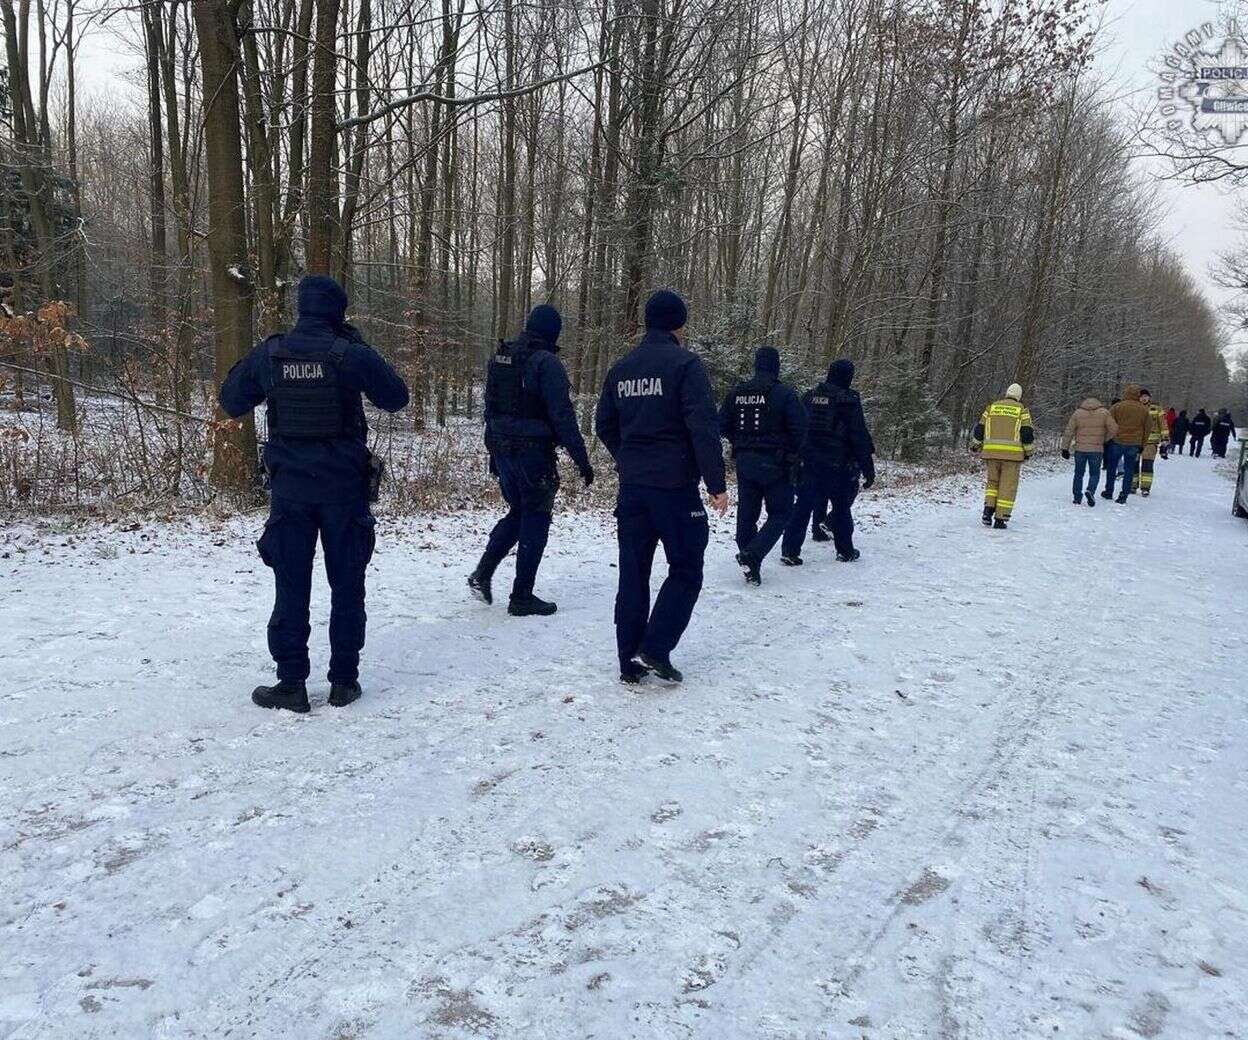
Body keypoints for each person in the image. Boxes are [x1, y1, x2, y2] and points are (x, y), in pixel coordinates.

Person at [219, 275, 409, 713]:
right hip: (344, 490)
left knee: (291, 585)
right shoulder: (350, 355)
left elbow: (231, 401)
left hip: (291, 493)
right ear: (339, 312)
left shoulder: (272, 354)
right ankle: (344, 681)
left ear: (301, 309)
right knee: (347, 583)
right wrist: (360, 351)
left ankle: (291, 683)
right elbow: (397, 397)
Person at [594, 290, 728, 686]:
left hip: (633, 490)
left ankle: (627, 660)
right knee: (687, 569)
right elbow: (703, 427)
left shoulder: (621, 368)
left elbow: (604, 424)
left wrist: (628, 457)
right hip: (674, 489)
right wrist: (716, 484)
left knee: (633, 573)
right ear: (679, 325)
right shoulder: (685, 365)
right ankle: (655, 647)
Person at [468, 305, 594, 617]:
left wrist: (493, 453)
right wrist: (581, 459)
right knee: (536, 517)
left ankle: (482, 573)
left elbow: (491, 409)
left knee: (518, 512)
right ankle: (522, 595)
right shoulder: (546, 363)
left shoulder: (501, 357)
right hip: (532, 453)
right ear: (553, 333)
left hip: (502, 448)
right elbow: (562, 415)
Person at [719, 346, 806, 586]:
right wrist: (793, 455)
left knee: (747, 513)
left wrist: (739, 441)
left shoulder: (737, 392)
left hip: (745, 462)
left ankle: (750, 561)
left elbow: (721, 424)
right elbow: (801, 430)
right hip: (776, 463)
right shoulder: (784, 394)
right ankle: (753, 555)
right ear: (776, 366)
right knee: (781, 513)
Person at [781, 358, 876, 563]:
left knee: (803, 507)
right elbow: (858, 435)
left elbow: (796, 429)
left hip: (809, 462)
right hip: (838, 465)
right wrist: (868, 468)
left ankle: (789, 551)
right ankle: (845, 550)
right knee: (841, 508)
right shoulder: (848, 401)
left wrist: (794, 458)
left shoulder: (809, 397)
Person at [971, 383, 1035, 529]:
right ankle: (1000, 518)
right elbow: (1026, 434)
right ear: (1019, 396)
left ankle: (987, 511)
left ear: (1007, 393)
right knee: (1007, 486)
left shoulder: (992, 407)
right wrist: (1029, 452)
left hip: (991, 453)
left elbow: (979, 429)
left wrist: (975, 445)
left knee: (992, 483)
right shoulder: (1022, 410)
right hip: (1012, 456)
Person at [1061, 396, 1116, 506]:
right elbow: (1114, 429)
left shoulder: (1078, 413)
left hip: (1080, 449)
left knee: (1078, 473)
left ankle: (1077, 497)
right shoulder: (1104, 413)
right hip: (1096, 449)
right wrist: (1104, 439)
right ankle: (1090, 490)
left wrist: (1065, 448)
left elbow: (1069, 431)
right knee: (1094, 473)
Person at [1102, 384, 1150, 503]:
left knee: (1112, 467)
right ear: (1138, 395)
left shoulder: (1117, 407)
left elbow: (1108, 423)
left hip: (1117, 442)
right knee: (1129, 470)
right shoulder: (1144, 410)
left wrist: (1107, 439)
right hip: (1134, 443)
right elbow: (1147, 428)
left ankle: (1109, 491)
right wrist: (1142, 445)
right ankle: (1123, 495)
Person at [1133, 389, 1168, 496]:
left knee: (1147, 465)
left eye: (1146, 396)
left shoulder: (1156, 409)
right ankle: (1132, 485)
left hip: (1151, 442)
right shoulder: (1134, 408)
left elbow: (1163, 424)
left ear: (1149, 397)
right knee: (1133, 464)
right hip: (1136, 441)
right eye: (1142, 396)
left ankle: (1145, 488)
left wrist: (1165, 439)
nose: (1144, 398)